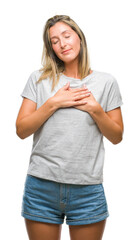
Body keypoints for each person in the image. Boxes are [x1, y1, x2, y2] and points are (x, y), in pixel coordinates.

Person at [16, 15, 124, 240]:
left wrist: (95, 109)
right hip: (41, 188)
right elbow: (21, 130)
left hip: (87, 190)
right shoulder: (38, 79)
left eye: (66, 36)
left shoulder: (106, 82)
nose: (62, 44)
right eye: (54, 41)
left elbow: (116, 136)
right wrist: (54, 103)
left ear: (80, 38)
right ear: (51, 48)